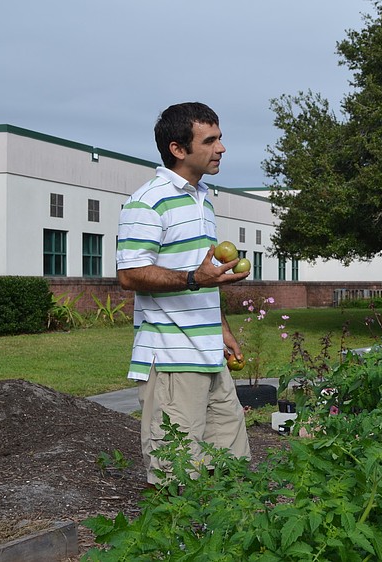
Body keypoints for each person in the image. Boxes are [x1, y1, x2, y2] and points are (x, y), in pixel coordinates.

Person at [116, 102, 252, 485]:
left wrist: (221, 325)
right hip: (173, 358)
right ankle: (177, 544)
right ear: (178, 149)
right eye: (209, 141)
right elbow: (130, 274)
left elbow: (203, 275)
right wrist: (195, 278)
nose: (221, 148)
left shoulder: (203, 199)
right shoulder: (148, 201)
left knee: (230, 462)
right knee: (175, 471)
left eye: (220, 138)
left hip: (209, 353)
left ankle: (222, 540)